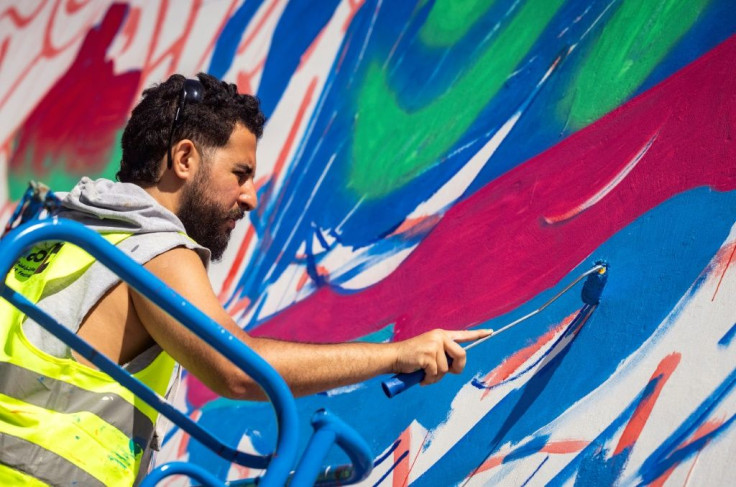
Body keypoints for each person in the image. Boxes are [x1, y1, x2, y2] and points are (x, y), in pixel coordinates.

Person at [0, 73, 491, 486]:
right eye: (240, 173)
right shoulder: (154, 248)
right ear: (185, 159)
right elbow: (237, 368)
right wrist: (397, 354)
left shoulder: (61, 236)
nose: (251, 197)